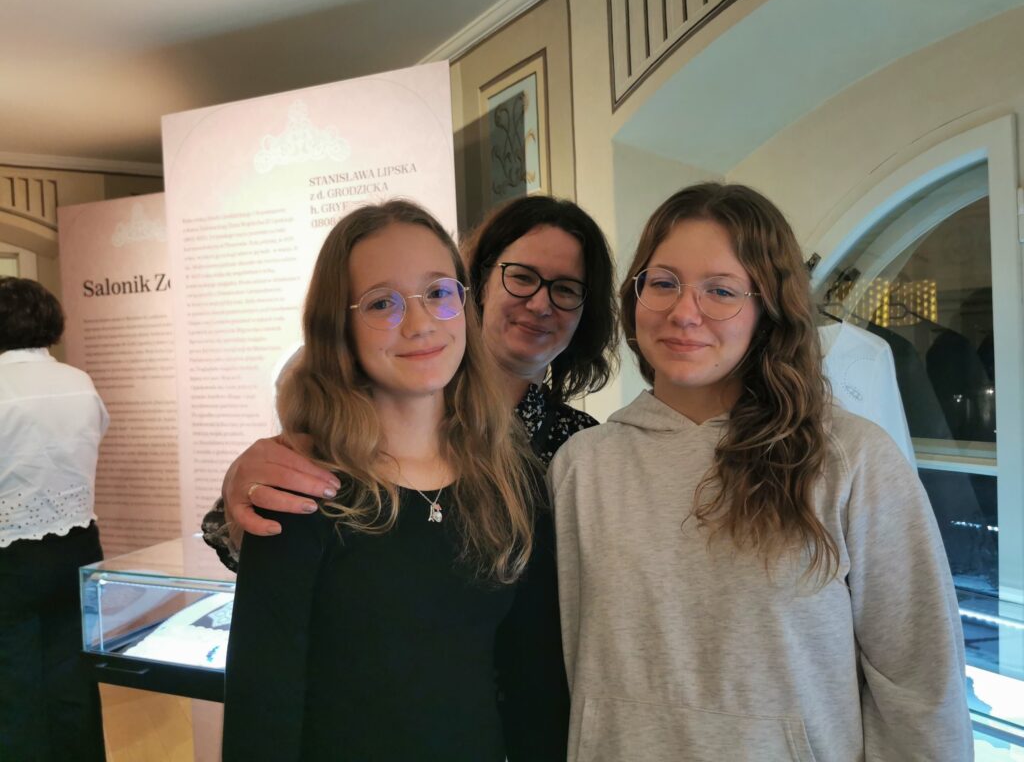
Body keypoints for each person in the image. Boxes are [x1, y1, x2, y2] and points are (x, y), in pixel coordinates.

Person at [547, 183, 972, 761]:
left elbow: (922, 691)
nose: (683, 312)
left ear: (768, 311)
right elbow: (562, 668)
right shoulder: (583, 466)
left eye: (721, 290)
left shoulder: (849, 460)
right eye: (663, 282)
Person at [222, 200, 569, 761]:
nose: (420, 323)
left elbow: (532, 681)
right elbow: (261, 708)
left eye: (438, 292)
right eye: (382, 302)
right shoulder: (303, 489)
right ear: (339, 327)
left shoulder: (511, 481)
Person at [202, 195, 618, 567]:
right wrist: (246, 491)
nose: (541, 303)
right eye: (523, 277)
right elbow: (256, 544)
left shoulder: (583, 444)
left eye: (566, 289)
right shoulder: (378, 413)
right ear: (478, 283)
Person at [0, 276, 109, 761]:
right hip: (78, 544)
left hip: (9, 553)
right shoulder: (78, 381)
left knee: (13, 684)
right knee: (74, 674)